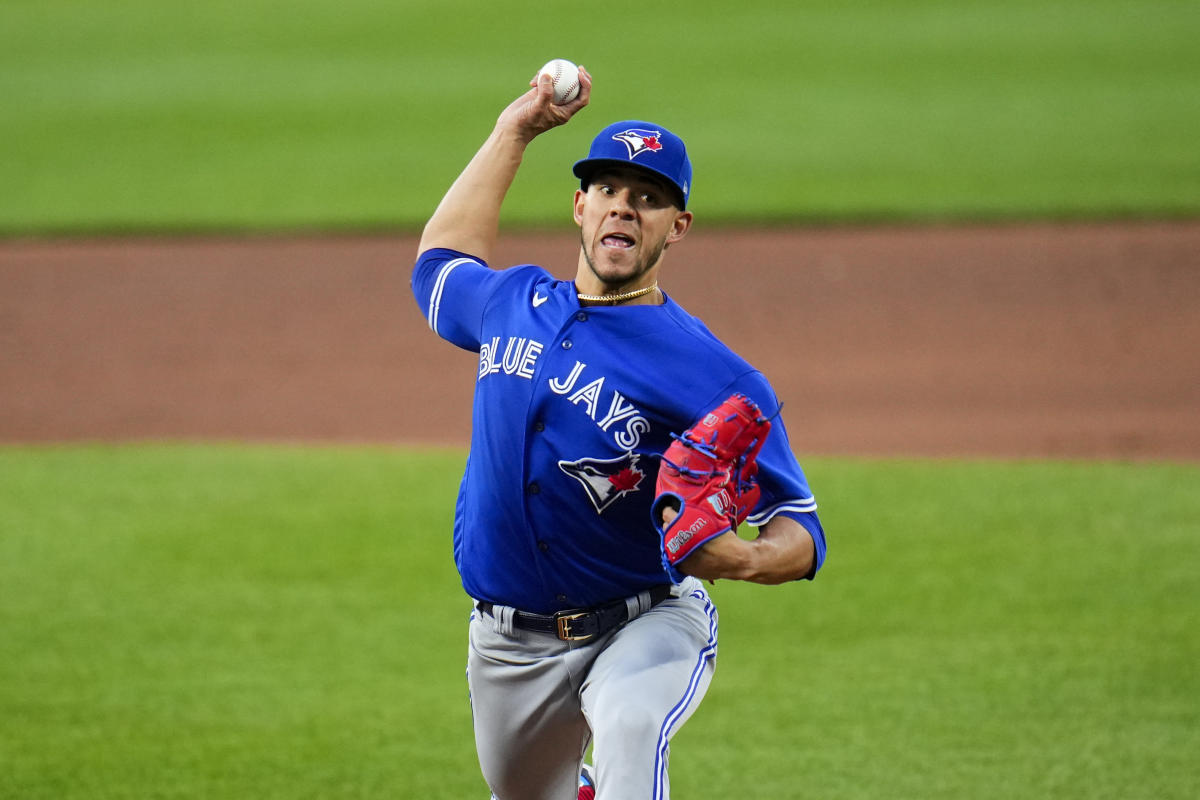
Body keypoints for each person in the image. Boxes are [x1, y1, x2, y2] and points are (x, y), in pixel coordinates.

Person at [411, 65, 827, 800]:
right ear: (579, 206)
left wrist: (749, 559)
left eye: (649, 199)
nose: (624, 210)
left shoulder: (714, 375)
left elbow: (800, 526)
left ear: (679, 225)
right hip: (507, 644)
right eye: (608, 191)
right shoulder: (513, 302)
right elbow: (440, 264)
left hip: (645, 621)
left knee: (632, 730)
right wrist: (516, 130)